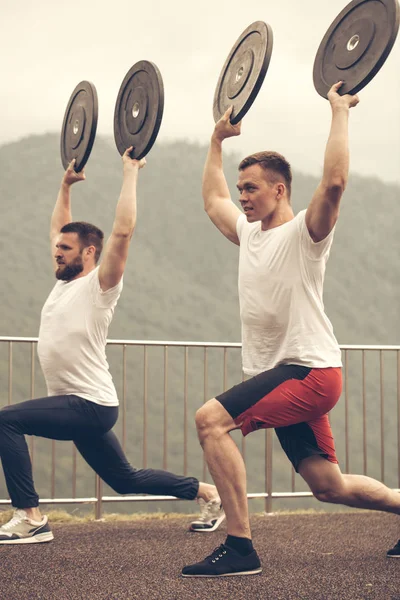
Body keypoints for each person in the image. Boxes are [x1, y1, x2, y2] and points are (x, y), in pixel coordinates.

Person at [181, 82, 400, 578]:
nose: (242, 197)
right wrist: (216, 142)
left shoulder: (306, 233)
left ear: (279, 189)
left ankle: (240, 549)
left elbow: (336, 182)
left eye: (252, 188)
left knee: (210, 421)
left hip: (308, 370)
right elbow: (213, 198)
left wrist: (339, 111)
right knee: (329, 486)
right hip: (285, 374)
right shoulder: (247, 233)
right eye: (242, 190)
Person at [0, 149, 224, 544]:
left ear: (89, 253)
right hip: (80, 404)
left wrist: (130, 172)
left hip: (88, 404)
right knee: (123, 479)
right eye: (57, 248)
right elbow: (60, 228)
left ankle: (30, 515)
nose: (56, 252)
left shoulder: (100, 286)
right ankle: (207, 493)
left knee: (5, 420)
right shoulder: (64, 282)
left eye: (65, 250)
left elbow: (122, 232)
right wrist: (65, 185)